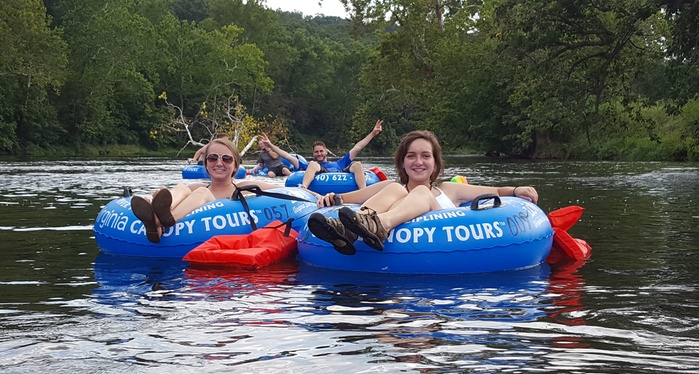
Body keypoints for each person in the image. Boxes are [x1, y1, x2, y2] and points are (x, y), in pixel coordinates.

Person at [307, 130, 539, 255]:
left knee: (421, 193)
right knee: (395, 187)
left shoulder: (448, 189)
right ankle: (348, 232)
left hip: (443, 240)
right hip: (384, 229)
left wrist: (517, 189)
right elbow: (345, 201)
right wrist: (330, 199)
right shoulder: (392, 188)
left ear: (436, 164)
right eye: (411, 156)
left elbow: (497, 190)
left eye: (425, 156)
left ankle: (381, 225)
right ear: (402, 163)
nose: (418, 162)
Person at [131, 136, 280, 243]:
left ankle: (162, 222)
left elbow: (285, 191)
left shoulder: (244, 187)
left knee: (202, 192)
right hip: (191, 217)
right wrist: (158, 196)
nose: (219, 163)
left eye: (226, 159)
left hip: (222, 221)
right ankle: (157, 217)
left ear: (235, 165)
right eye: (213, 158)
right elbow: (177, 193)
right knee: (182, 188)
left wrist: (302, 190)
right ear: (206, 163)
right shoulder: (197, 187)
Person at [297, 120, 383, 190]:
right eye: (316, 152)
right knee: (312, 163)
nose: (319, 154)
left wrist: (373, 133)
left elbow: (358, 147)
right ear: (313, 154)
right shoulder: (310, 166)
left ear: (326, 152)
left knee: (357, 164)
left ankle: (363, 191)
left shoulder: (339, 163)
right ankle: (304, 188)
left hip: (340, 173)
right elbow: (289, 157)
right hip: (320, 170)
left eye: (321, 151)